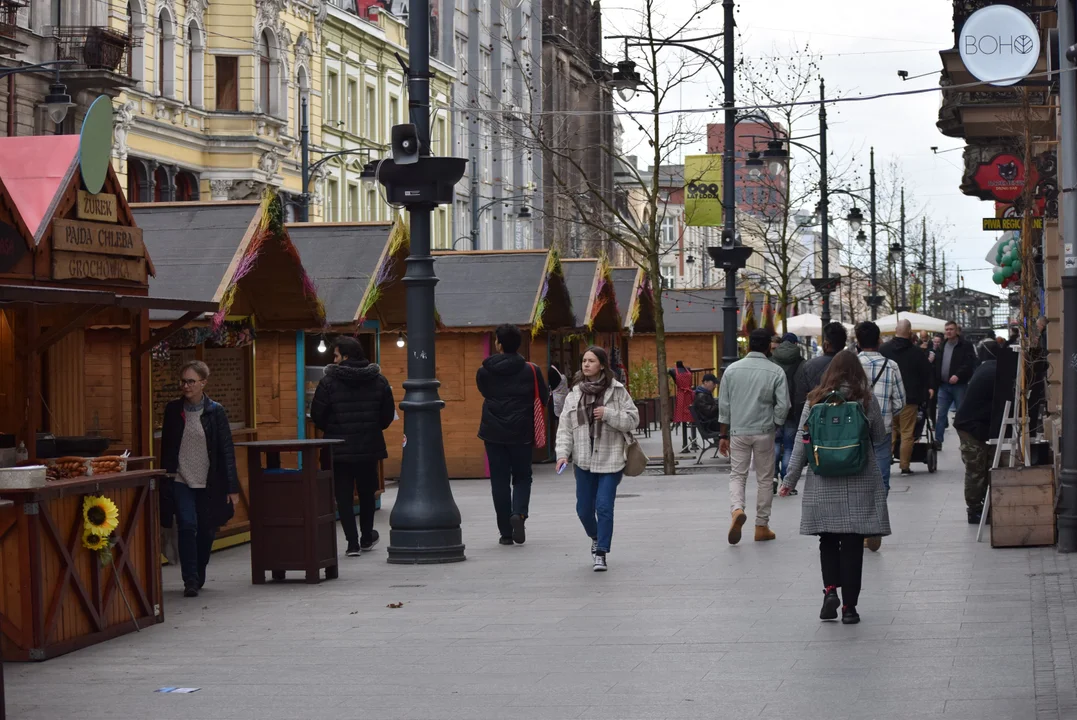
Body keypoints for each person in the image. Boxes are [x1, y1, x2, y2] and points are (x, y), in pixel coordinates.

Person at [779, 351, 891, 625]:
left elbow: (801, 443)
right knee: (853, 542)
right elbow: (878, 436)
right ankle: (849, 608)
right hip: (859, 477)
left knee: (827, 539)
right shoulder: (866, 398)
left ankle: (830, 591)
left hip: (823, 478)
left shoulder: (814, 400)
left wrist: (789, 480)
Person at [555, 347, 639, 571]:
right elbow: (565, 428)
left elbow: (633, 419)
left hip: (611, 458)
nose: (586, 364)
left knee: (603, 506)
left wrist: (608, 414)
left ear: (601, 364)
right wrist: (562, 454)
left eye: (591, 361)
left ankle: (601, 552)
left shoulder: (617, 391)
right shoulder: (574, 394)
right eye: (584, 361)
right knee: (583, 509)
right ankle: (595, 536)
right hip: (583, 460)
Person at [160, 361, 240, 597]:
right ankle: (190, 579)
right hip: (181, 478)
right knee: (187, 525)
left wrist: (231, 487)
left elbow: (226, 450)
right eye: (183, 381)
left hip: (208, 480)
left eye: (191, 381)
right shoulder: (173, 410)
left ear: (203, 383)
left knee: (206, 530)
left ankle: (200, 569)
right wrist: (166, 479)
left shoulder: (216, 411)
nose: (186, 386)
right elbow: (166, 448)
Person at [311, 337, 395, 557]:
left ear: (346, 356)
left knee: (343, 495)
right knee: (368, 493)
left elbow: (318, 415)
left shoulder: (328, 382)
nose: (334, 360)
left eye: (336, 355)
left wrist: (334, 427)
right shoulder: (379, 380)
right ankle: (367, 536)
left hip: (339, 449)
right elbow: (386, 417)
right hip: (369, 446)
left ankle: (352, 544)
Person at [476, 324, 549, 546]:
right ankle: (519, 513)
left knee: (499, 481)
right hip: (522, 431)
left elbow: (484, 392)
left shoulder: (484, 371)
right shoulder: (531, 369)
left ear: (498, 343)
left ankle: (505, 533)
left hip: (493, 432)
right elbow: (543, 397)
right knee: (522, 477)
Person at [718, 328, 789, 545]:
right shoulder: (776, 371)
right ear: (769, 346)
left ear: (748, 345)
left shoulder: (732, 370)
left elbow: (724, 405)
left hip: (738, 431)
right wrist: (775, 422)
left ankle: (737, 509)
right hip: (764, 431)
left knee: (737, 475)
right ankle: (761, 525)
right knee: (765, 479)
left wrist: (723, 434)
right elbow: (783, 405)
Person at [856, 321, 906, 506]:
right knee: (882, 476)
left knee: (856, 474)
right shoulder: (891, 366)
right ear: (878, 340)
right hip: (882, 428)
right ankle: (876, 517)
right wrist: (886, 414)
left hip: (854, 429)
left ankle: (860, 515)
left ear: (858, 342)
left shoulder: (850, 364)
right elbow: (900, 402)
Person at [954, 339, 1000, 525]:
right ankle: (974, 511)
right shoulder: (995, 371)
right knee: (976, 470)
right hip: (971, 426)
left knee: (982, 467)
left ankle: (980, 507)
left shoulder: (987, 368)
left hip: (975, 425)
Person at [881, 319, 935, 475]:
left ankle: (886, 460)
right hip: (909, 399)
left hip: (889, 397)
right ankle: (904, 466)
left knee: (889, 431)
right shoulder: (917, 352)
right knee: (907, 433)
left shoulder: (884, 350)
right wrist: (928, 389)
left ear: (895, 330)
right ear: (910, 332)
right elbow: (926, 373)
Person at [934, 321, 977, 447]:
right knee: (941, 414)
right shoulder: (942, 345)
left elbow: (969, 363)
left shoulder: (965, 345)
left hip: (959, 385)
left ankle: (965, 441)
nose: (948, 331)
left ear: (956, 330)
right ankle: (938, 440)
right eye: (946, 329)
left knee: (961, 414)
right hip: (943, 385)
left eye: (951, 329)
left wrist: (958, 375)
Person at [771, 332, 804, 490]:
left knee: (775, 443)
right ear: (795, 344)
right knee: (790, 445)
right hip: (794, 409)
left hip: (775, 407)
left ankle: (772, 476)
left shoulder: (772, 361)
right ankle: (787, 481)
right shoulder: (801, 362)